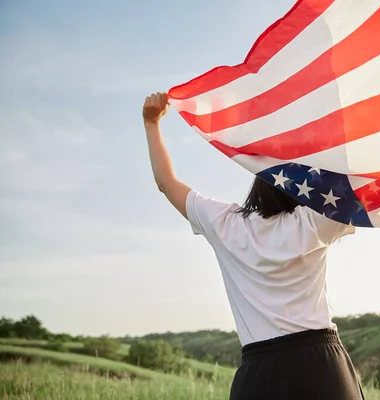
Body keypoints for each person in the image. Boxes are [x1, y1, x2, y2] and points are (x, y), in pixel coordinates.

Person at [142, 92, 365, 400]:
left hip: (260, 373)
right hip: (320, 366)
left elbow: (166, 182)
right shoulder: (314, 219)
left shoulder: (225, 224)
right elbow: (357, 171)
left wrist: (151, 123)